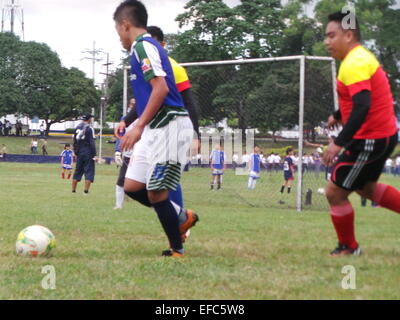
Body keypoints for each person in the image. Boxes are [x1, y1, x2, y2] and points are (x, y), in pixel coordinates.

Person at [114, 0, 198, 258]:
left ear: (125, 24)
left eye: (117, 30)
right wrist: (132, 121)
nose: (118, 36)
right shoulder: (138, 51)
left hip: (170, 126)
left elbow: (160, 89)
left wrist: (137, 127)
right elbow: (147, 96)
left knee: (156, 191)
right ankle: (182, 216)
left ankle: (177, 249)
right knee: (131, 186)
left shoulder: (143, 47)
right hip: (153, 128)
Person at [323, 11, 400, 256]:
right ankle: (349, 246)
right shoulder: (359, 58)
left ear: (349, 34)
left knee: (335, 192)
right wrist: (338, 112)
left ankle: (349, 247)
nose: (327, 42)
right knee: (366, 189)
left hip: (370, 139)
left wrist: (339, 142)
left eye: (331, 36)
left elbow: (363, 105)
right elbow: (364, 96)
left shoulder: (354, 62)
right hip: (380, 135)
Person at [72, 114, 96, 194]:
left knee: (78, 170)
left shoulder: (77, 127)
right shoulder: (89, 128)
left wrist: (76, 151)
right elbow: (92, 142)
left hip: (80, 152)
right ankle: (86, 190)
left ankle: (73, 190)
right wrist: (94, 154)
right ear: (89, 119)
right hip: (88, 152)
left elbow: (74, 141)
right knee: (89, 171)